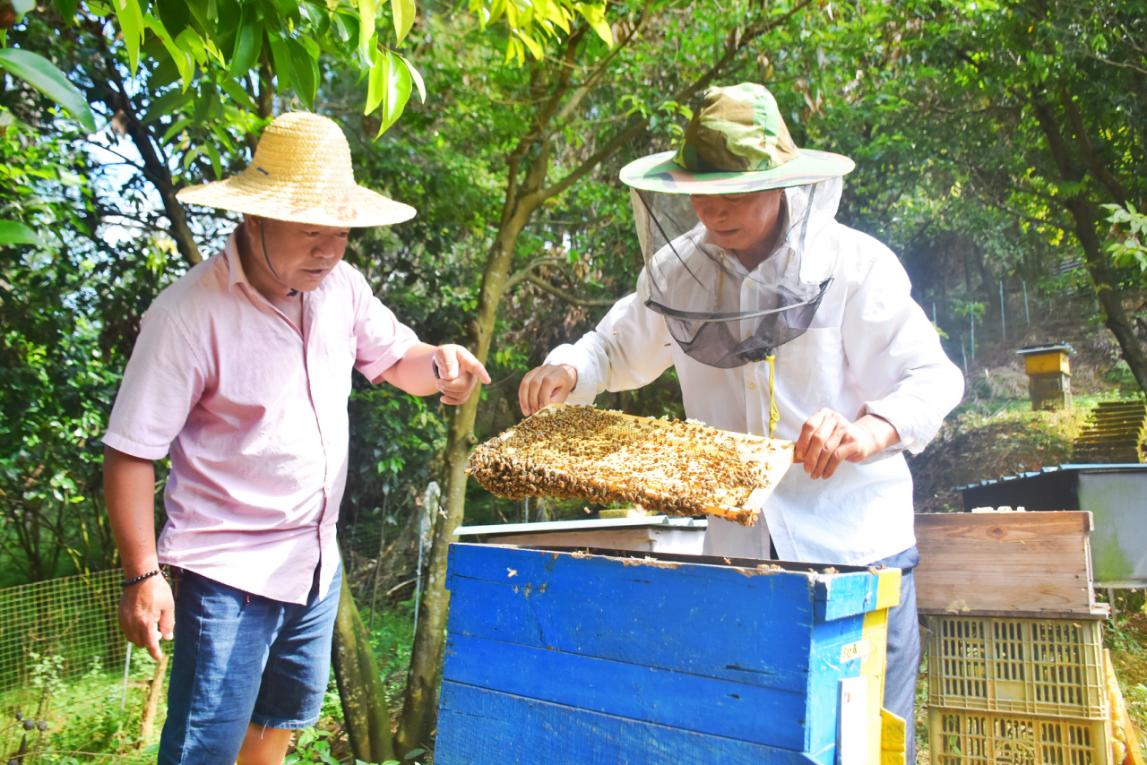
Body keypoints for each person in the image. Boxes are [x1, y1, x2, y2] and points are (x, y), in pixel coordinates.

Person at [518, 83, 963, 760]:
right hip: (741, 556)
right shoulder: (678, 272)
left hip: (853, 550)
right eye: (699, 190)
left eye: (732, 190)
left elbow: (931, 377)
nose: (711, 208)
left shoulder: (853, 265)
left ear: (780, 183)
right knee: (750, 743)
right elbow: (612, 348)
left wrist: (866, 430)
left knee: (860, 745)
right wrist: (569, 369)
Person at [102, 112, 490, 765]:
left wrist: (445, 366)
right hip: (224, 575)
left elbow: (399, 361)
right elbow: (130, 453)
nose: (329, 250)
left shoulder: (341, 289)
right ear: (256, 219)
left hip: (313, 565)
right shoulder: (187, 315)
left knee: (275, 730)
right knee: (203, 751)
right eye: (311, 231)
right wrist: (142, 574)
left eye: (340, 232)